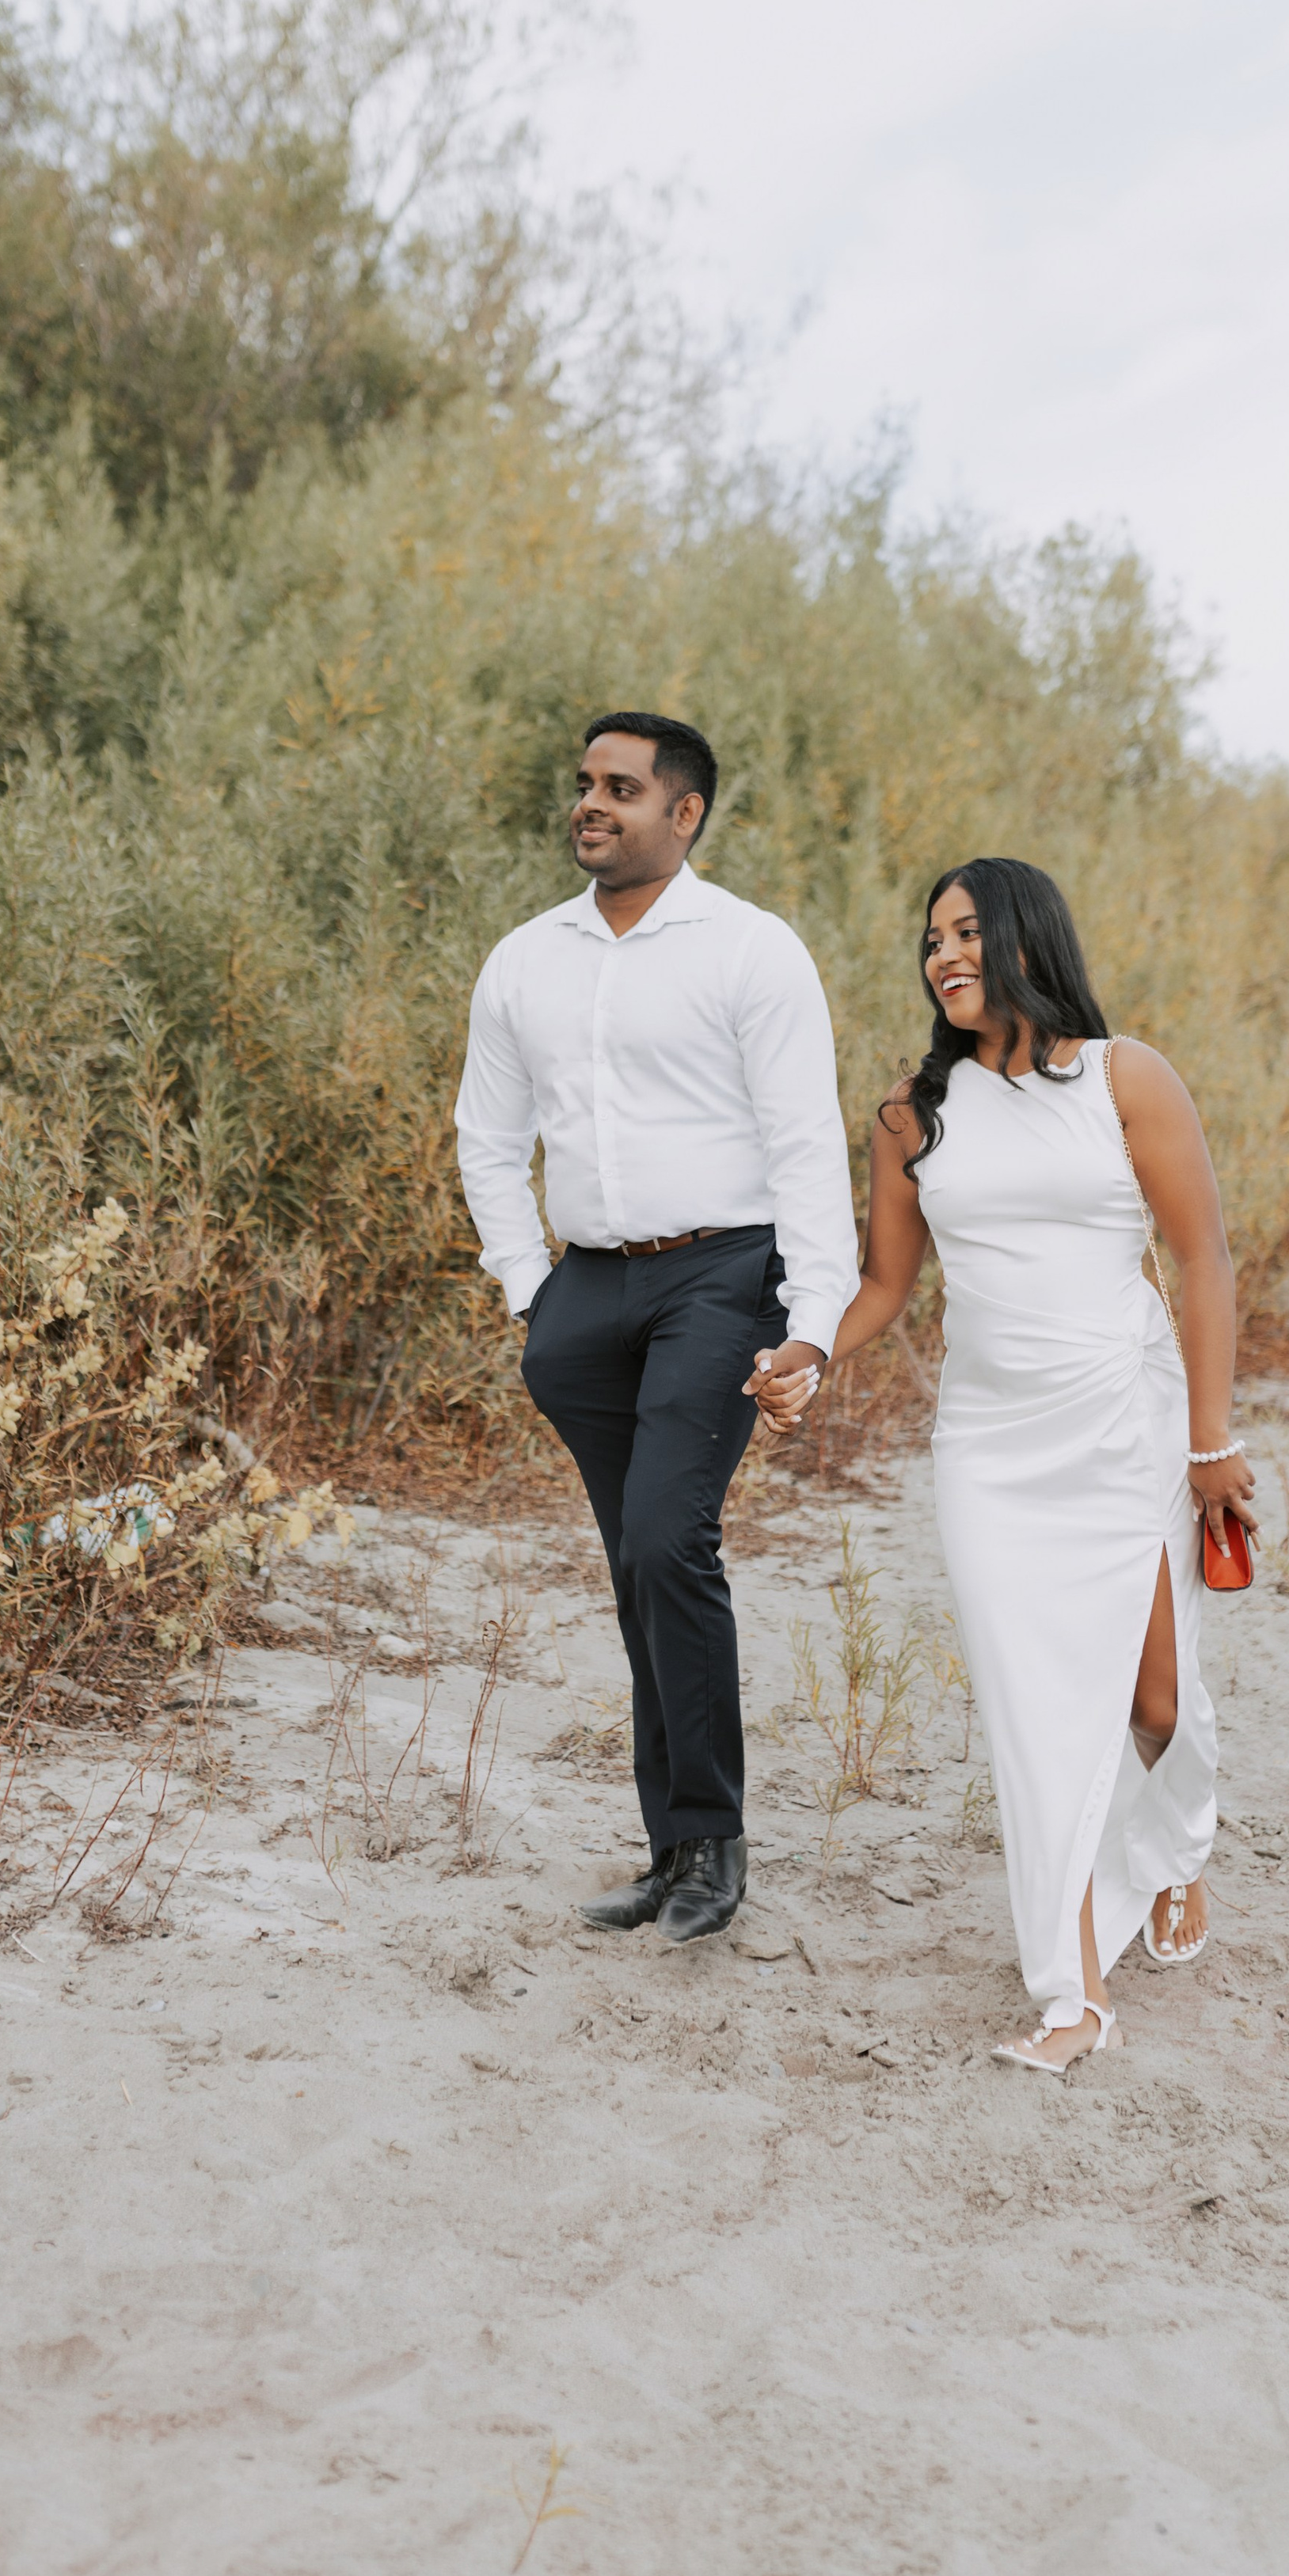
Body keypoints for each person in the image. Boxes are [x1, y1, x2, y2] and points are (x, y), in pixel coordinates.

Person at [747, 858, 1255, 2067]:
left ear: (1030, 935)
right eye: (931, 940)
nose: (944, 956)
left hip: (1124, 1426)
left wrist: (1211, 1442)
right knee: (1035, 1718)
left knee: (1152, 1701)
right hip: (989, 1450)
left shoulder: (1126, 1078)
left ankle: (1178, 1850)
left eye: (968, 931)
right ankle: (1071, 1996)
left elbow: (1206, 1262)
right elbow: (885, 1285)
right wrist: (814, 1353)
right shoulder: (912, 1116)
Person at [455, 712, 858, 1943]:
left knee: (666, 1538)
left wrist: (814, 1325)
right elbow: (488, 1134)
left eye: (620, 789)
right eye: (584, 785)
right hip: (584, 1297)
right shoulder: (527, 958)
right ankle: (673, 1851)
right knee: (638, 1563)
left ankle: (715, 1846)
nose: (591, 805)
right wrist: (532, 1293)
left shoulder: (752, 950)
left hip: (721, 1279)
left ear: (683, 813)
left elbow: (805, 1143)